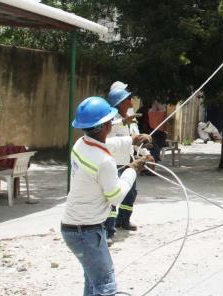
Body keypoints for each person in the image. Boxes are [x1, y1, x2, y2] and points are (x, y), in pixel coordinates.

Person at [62, 96, 150, 296]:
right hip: (86, 232)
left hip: (73, 228)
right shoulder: (104, 162)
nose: (113, 122)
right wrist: (132, 169)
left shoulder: (80, 144)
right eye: (110, 120)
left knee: (92, 281)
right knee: (105, 284)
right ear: (104, 126)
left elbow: (105, 145)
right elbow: (116, 197)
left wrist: (132, 139)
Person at [104, 82, 147, 238]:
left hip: (129, 161)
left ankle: (123, 220)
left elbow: (135, 138)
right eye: (128, 98)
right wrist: (123, 121)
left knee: (130, 193)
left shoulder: (131, 118)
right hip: (113, 163)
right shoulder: (110, 118)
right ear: (121, 102)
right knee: (113, 196)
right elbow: (108, 130)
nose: (131, 101)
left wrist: (145, 152)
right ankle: (107, 230)